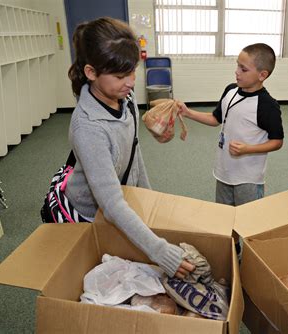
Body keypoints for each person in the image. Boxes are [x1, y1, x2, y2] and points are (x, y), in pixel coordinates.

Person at [65, 17, 194, 279]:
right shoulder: (87, 127)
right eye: (121, 75)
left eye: (133, 71)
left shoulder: (126, 98)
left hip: (122, 197)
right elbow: (110, 204)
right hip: (92, 212)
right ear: (91, 73)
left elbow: (135, 154)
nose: (132, 82)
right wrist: (160, 250)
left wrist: (148, 200)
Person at [178, 43, 284, 253]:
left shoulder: (267, 105)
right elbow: (216, 118)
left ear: (262, 74)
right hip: (224, 171)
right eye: (237, 66)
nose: (237, 72)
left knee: (247, 221)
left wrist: (248, 149)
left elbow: (277, 141)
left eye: (243, 69)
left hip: (248, 177)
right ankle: (233, 251)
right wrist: (188, 113)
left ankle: (253, 259)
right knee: (226, 218)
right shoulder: (230, 90)